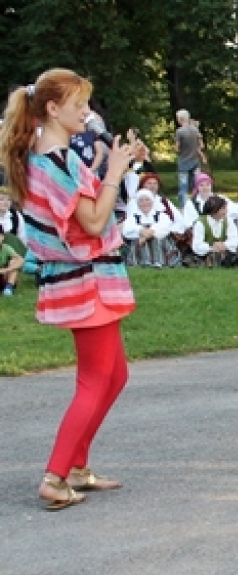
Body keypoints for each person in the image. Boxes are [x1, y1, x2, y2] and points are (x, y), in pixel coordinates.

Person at [0, 69, 136, 509]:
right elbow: (94, 221)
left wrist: (112, 165)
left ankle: (76, 466)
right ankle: (56, 476)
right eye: (80, 105)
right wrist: (115, 171)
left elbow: (84, 206)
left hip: (84, 278)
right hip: (84, 280)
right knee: (96, 380)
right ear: (53, 109)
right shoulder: (55, 162)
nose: (88, 112)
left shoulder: (49, 156)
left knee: (114, 375)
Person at [122, 189, 179, 268]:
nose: (144, 203)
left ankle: (159, 261)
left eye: (147, 200)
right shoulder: (133, 217)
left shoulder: (161, 215)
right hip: (139, 243)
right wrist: (141, 231)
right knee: (138, 240)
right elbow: (126, 230)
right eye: (141, 200)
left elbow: (165, 228)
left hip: (160, 243)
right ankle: (144, 262)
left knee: (155, 239)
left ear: (152, 201)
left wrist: (148, 234)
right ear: (137, 203)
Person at [190, 195, 238, 266]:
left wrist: (224, 245)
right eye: (223, 209)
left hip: (224, 251)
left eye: (226, 208)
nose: (226, 211)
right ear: (214, 210)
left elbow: (235, 240)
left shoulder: (228, 221)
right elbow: (196, 245)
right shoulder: (200, 223)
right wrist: (212, 247)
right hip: (204, 254)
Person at [0, 229, 24, 296]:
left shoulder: (6, 248)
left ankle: (8, 289)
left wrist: (6, 270)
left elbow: (21, 260)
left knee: (14, 261)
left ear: (2, 237)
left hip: (3, 276)